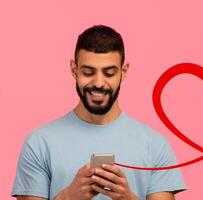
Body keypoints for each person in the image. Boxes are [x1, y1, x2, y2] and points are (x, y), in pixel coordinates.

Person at [12, 25, 186, 200]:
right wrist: (70, 196)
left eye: (109, 73)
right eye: (88, 72)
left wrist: (126, 198)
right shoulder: (39, 143)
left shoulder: (155, 145)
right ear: (74, 69)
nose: (99, 83)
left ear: (123, 72)